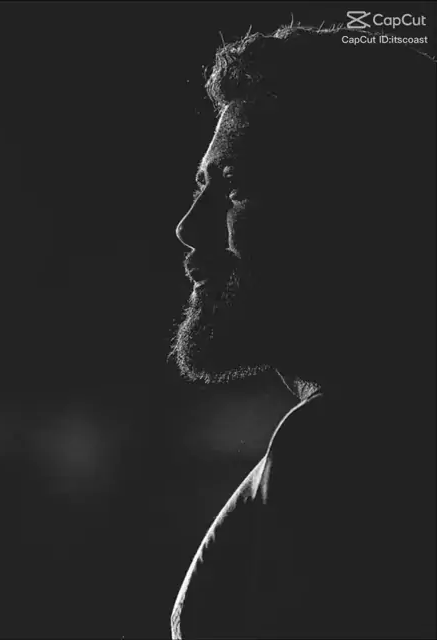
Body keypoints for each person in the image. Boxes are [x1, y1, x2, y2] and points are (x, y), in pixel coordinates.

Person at [168, 23, 436, 639]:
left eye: (236, 186)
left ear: (363, 205)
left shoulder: (344, 449)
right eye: (202, 188)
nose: (188, 227)